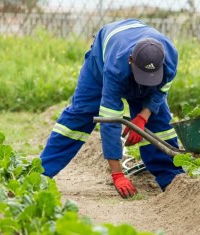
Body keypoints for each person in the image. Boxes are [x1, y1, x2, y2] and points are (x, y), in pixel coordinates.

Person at [40, 19, 184, 198]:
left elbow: (160, 91)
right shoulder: (116, 67)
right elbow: (110, 121)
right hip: (101, 62)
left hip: (139, 58)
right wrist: (117, 174)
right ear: (130, 60)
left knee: (158, 122)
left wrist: (143, 117)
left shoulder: (170, 57)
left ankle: (172, 180)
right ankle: (41, 173)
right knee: (80, 115)